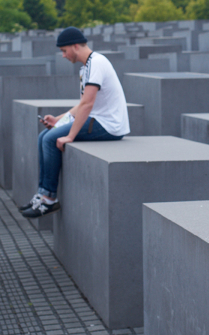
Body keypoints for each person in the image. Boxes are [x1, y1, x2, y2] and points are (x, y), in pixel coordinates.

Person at [18, 27, 130, 218]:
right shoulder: (87, 67)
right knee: (43, 136)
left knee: (50, 139)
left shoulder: (97, 62)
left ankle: (49, 199)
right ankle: (42, 194)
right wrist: (59, 120)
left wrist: (69, 135)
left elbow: (88, 104)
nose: (63, 55)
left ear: (75, 46)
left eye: (64, 50)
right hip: (98, 120)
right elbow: (82, 105)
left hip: (109, 125)